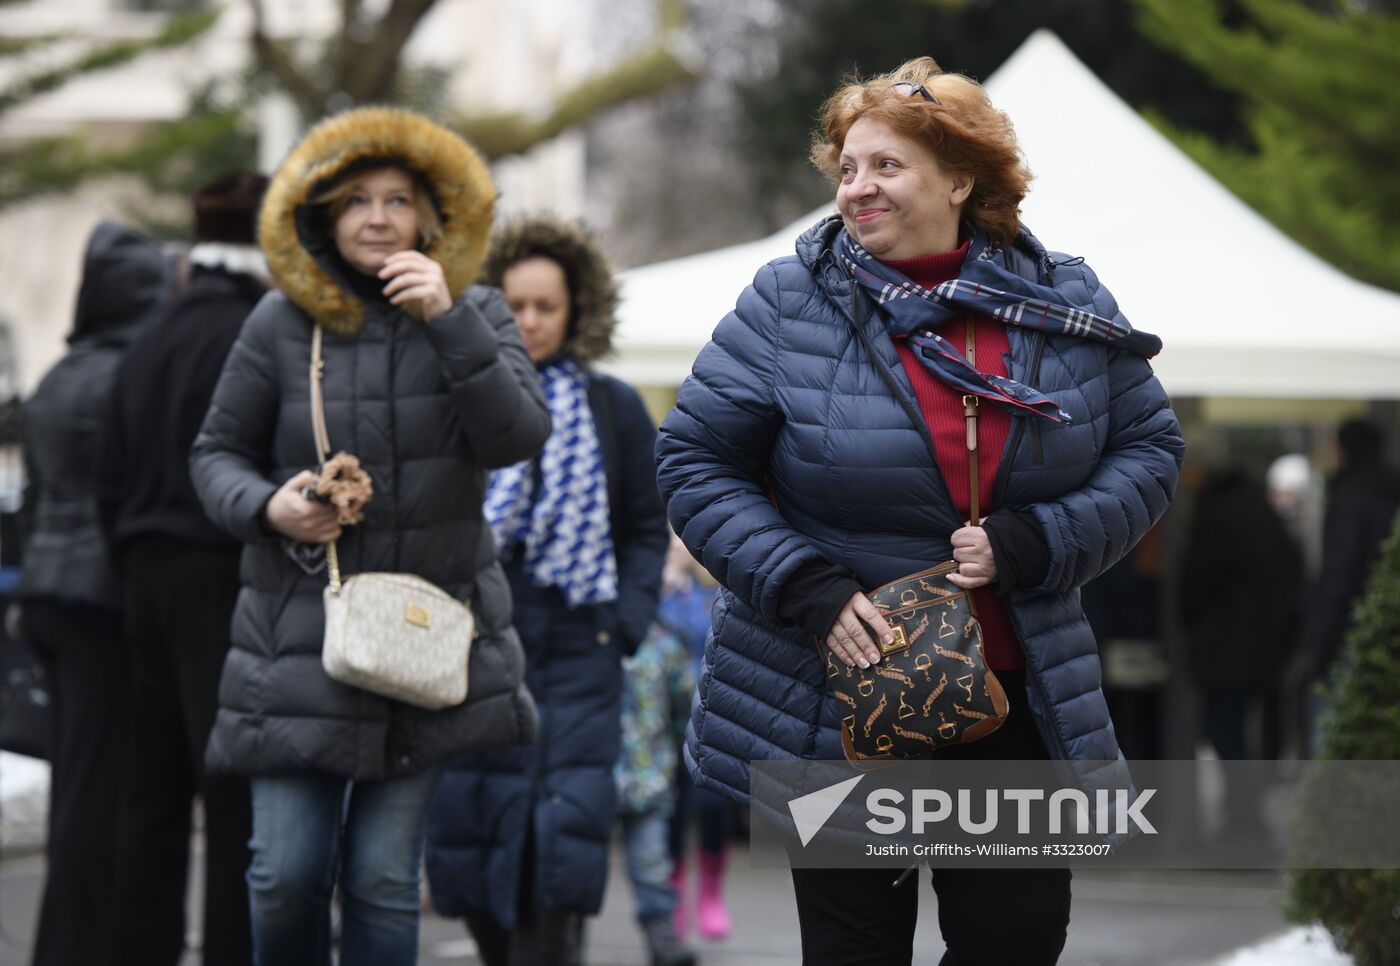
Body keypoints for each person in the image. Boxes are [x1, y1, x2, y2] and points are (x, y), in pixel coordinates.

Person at [655, 57, 1184, 966]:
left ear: (960, 178)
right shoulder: (790, 302)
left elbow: (1149, 449)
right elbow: (695, 458)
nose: (858, 188)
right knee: (855, 947)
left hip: (1015, 690)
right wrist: (804, 585)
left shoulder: (1065, 298)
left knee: (1013, 940)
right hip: (842, 695)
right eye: (849, 168)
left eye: (887, 166)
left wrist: (1042, 539)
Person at [188, 107, 550, 966]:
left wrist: (450, 317)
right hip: (294, 641)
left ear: (433, 215)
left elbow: (518, 437)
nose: (379, 218)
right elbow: (213, 456)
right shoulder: (276, 324)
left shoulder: (478, 310)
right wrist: (268, 506)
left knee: (385, 882)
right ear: (321, 214)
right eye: (357, 200)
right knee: (284, 874)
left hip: (425, 639)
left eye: (399, 199)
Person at [425, 215, 669, 966]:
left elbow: (644, 527)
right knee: (480, 828)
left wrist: (624, 624)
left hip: (579, 638)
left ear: (577, 311)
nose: (530, 321)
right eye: (516, 304)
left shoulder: (613, 407)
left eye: (546, 307)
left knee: (559, 844)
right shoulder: (456, 397)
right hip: (476, 635)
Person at [96, 171, 270, 966]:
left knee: (152, 795)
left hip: (143, 576)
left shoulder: (148, 341)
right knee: (234, 795)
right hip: (223, 575)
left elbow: (110, 476)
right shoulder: (257, 335)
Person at [16, 221, 172, 965]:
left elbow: (40, 500)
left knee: (82, 779)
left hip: (48, 596)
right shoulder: (128, 378)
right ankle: (76, 949)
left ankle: (66, 943)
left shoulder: (59, 375)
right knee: (96, 792)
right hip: (100, 604)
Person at [1179, 465, 1302, 839]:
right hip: (1267, 647)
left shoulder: (1214, 515)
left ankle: (1244, 820)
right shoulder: (1261, 513)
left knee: (1223, 731)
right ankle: (1247, 817)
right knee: (1249, 732)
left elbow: (1194, 584)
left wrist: (1189, 628)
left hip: (1225, 648)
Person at [658, 534, 734, 943]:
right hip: (667, 724)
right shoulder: (661, 589)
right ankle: (673, 896)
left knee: (713, 810)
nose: (673, 543)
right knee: (672, 812)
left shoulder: (717, 590)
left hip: (713, 722)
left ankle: (710, 894)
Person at [614, 621, 697, 966]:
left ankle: (662, 936)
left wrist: (675, 753)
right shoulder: (581, 635)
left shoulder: (662, 643)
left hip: (647, 777)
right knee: (575, 862)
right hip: (588, 778)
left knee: (652, 862)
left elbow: (683, 703)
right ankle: (564, 937)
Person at [1301, 418, 1400, 688]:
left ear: (1343, 450)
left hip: (1349, 634)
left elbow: (1339, 574)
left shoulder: (1349, 497)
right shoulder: (1389, 491)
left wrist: (1314, 644)